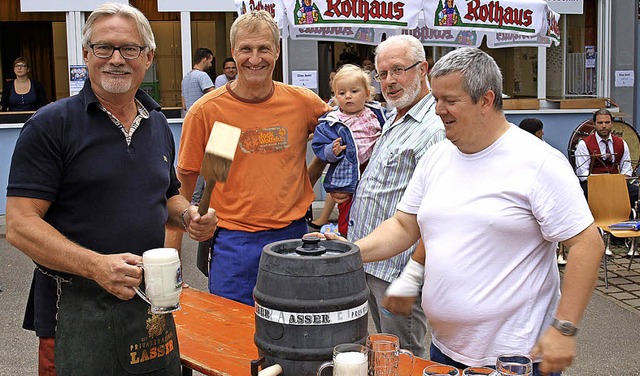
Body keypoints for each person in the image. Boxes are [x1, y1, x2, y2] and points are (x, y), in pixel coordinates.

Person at [326, 47, 604, 375]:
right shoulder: (439, 156)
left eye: (449, 100)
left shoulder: (537, 161)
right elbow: (403, 226)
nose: (437, 110)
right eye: (436, 99)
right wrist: (348, 252)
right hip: (445, 350)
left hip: (516, 359)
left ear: (486, 100)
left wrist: (564, 328)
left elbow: (588, 243)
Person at [5, 3, 217, 375]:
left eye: (129, 49)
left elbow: (166, 194)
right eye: (104, 48)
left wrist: (187, 215)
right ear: (86, 55)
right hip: (72, 311)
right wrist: (96, 266)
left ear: (147, 57)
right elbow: (21, 225)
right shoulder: (51, 125)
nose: (116, 59)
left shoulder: (157, 125)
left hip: (149, 305)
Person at [177, 10, 331, 306]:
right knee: (231, 335)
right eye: (246, 49)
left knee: (293, 333)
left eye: (263, 48)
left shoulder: (304, 103)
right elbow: (183, 185)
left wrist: (308, 177)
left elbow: (335, 140)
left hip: (293, 237)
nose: (255, 58)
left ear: (276, 50)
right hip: (234, 244)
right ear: (233, 53)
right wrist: (175, 255)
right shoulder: (207, 111)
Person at [326, 34, 445, 358]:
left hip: (397, 270)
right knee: (385, 350)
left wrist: (412, 276)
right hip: (373, 261)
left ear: (423, 69)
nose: (390, 81)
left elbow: (433, 213)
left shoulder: (433, 127)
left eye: (398, 70)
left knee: (405, 354)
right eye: (382, 73)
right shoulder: (393, 116)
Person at [312, 64, 386, 236]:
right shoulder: (332, 121)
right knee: (347, 208)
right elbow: (319, 146)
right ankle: (347, 237)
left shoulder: (376, 112)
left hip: (373, 168)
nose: (348, 97)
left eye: (354, 91)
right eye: (342, 93)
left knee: (371, 207)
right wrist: (332, 150)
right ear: (336, 97)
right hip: (347, 173)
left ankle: (369, 237)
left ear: (367, 93)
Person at [574, 109, 638, 208]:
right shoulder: (584, 144)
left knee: (636, 193)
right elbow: (582, 174)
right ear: (594, 124)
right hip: (593, 185)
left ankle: (628, 216)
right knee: (581, 195)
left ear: (612, 124)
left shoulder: (621, 143)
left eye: (607, 122)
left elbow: (627, 169)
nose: (604, 126)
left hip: (616, 184)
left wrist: (617, 183)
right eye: (600, 123)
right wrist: (603, 183)